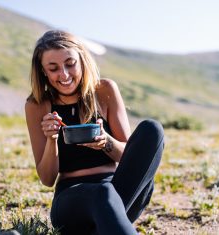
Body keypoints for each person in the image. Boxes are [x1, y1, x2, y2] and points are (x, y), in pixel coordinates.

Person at [25, 30, 164, 235]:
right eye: (53, 68)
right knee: (102, 193)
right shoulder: (37, 105)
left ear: (82, 61)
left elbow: (129, 157)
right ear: (43, 71)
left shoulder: (104, 90)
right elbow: (47, 179)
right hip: (71, 200)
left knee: (152, 130)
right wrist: (51, 139)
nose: (63, 74)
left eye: (70, 64)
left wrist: (105, 142)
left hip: (120, 190)